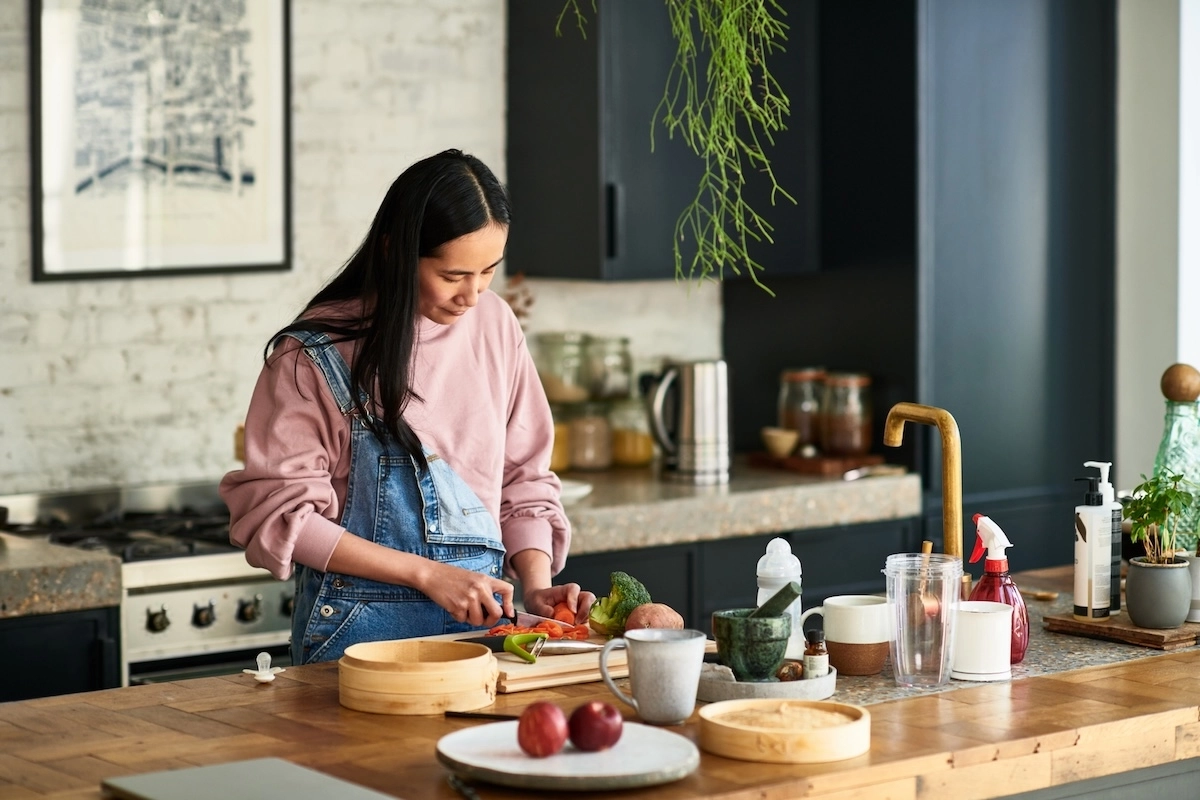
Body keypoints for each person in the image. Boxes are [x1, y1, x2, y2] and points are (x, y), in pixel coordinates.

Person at [220, 149, 594, 665]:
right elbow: (285, 516)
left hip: (484, 638)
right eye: (453, 274)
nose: (473, 293)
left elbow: (522, 477)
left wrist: (536, 584)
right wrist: (427, 575)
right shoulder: (313, 354)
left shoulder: (495, 325)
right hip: (360, 642)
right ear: (397, 252)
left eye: (488, 270)